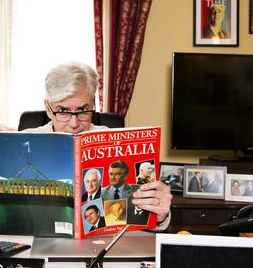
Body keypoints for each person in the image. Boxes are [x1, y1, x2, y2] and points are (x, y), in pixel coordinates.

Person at [22, 62, 171, 228]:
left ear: (93, 104)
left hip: (101, 244)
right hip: (39, 242)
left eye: (83, 110)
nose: (74, 123)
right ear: (48, 109)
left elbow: (135, 218)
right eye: (63, 111)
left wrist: (160, 215)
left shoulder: (114, 140)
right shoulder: (24, 142)